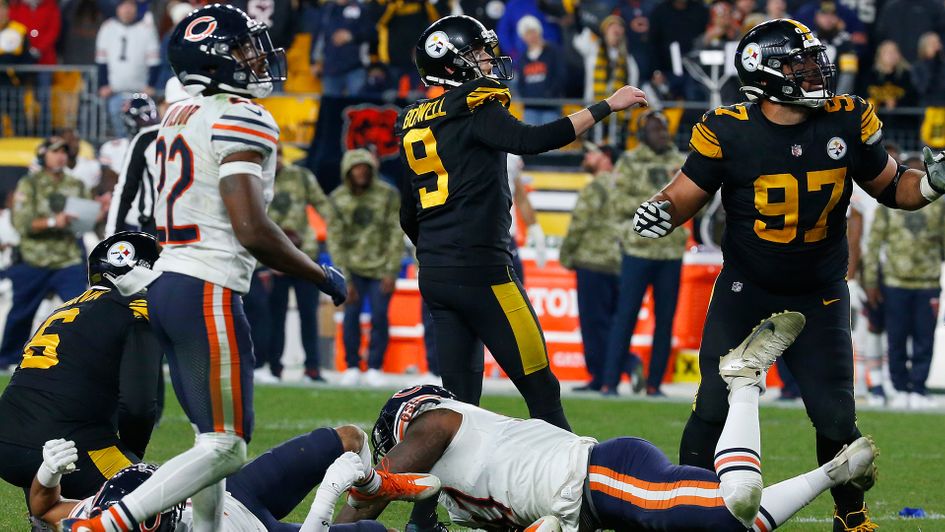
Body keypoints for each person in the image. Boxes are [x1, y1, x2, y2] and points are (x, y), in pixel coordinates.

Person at [630, 18, 945, 531]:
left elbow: (893, 188)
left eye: (814, 59)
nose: (816, 70)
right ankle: (683, 506)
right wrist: (662, 210)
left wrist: (930, 184)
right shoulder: (727, 128)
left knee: (837, 417)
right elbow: (685, 193)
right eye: (800, 62)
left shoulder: (846, 118)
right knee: (712, 401)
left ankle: (851, 516)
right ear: (767, 72)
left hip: (819, 290)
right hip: (747, 287)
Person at [63, 6, 348, 531]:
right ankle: (103, 525)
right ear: (216, 61)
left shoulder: (178, 114)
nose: (256, 57)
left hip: (169, 281)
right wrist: (319, 274)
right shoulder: (241, 115)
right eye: (243, 48)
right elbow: (253, 229)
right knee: (228, 447)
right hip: (206, 287)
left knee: (209, 442)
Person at [339, 312, 880, 532]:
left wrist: (352, 500)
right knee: (733, 528)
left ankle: (744, 380)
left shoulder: (436, 424)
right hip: (594, 501)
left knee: (733, 505)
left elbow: (371, 497)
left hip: (600, 475)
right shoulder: (457, 475)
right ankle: (834, 472)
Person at [397, 14, 647, 431]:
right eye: (478, 52)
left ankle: (429, 498)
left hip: (437, 272)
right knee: (543, 392)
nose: (488, 60)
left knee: (458, 410)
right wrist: (606, 106)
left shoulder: (414, 119)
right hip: (483, 270)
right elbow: (534, 140)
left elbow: (409, 212)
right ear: (451, 62)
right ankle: (577, 495)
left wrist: (438, 252)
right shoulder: (475, 108)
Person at [0, 232, 162, 505]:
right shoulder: (136, 311)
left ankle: (45, 513)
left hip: (6, 438)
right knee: (163, 501)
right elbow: (138, 405)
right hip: (67, 442)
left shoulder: (64, 308)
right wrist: (131, 460)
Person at [48, 425, 440, 530]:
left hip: (239, 494)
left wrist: (46, 473)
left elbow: (43, 507)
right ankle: (353, 501)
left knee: (348, 439)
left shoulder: (97, 515)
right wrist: (328, 492)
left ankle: (370, 487)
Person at [603, 110, 685, 397]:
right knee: (625, 316)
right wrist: (656, 202)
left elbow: (695, 199)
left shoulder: (681, 163)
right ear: (642, 135)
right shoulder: (629, 161)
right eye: (655, 130)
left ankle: (654, 384)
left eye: (664, 130)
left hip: (670, 252)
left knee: (665, 321)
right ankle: (610, 382)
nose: (662, 135)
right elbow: (616, 202)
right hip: (637, 250)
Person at [0, 136, 91, 370]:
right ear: (43, 155)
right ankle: (8, 359)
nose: (61, 156)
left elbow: (86, 223)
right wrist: (54, 221)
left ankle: (86, 358)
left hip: (67, 258)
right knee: (22, 313)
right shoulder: (29, 184)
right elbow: (22, 222)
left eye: (64, 152)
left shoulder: (76, 184)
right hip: (34, 258)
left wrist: (95, 213)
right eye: (55, 151)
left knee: (83, 311)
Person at [862, 154, 944, 411]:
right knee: (896, 339)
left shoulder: (940, 203)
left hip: (928, 279)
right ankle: (898, 388)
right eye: (915, 172)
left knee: (924, 339)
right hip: (895, 280)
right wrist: (871, 281)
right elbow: (874, 243)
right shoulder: (889, 204)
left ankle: (918, 388)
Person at [328, 149, 404, 388]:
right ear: (347, 170)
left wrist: (392, 270)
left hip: (381, 267)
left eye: (365, 167)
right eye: (356, 167)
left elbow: (395, 232)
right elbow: (335, 240)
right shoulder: (338, 198)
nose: (361, 171)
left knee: (380, 316)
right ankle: (352, 366)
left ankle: (374, 366)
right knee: (351, 316)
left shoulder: (388, 194)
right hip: (351, 267)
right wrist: (344, 278)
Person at [266, 144, 331, 383]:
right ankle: (274, 367)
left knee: (308, 313)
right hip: (275, 259)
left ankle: (312, 368)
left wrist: (335, 229)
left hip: (305, 255)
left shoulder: (301, 176)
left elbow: (323, 204)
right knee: (275, 315)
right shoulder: (256, 178)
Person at [559, 144, 621, 392]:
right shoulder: (624, 185)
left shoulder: (596, 186)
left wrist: (566, 255)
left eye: (592, 153)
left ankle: (604, 374)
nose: (586, 157)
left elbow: (579, 224)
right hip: (617, 263)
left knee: (593, 325)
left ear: (605, 158)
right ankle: (613, 372)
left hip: (592, 261)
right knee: (612, 323)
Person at [94, 0, 160, 137]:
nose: (127, 9)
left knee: (143, 128)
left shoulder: (146, 28)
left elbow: (154, 61)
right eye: (124, 5)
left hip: (141, 93)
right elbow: (102, 60)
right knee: (118, 130)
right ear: (117, 8)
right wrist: (103, 84)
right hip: (115, 91)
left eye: (131, 5)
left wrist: (151, 84)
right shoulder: (108, 27)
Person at [103, 94, 160, 237]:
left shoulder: (144, 140)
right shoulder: (184, 135)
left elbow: (124, 190)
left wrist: (111, 233)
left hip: (149, 220)